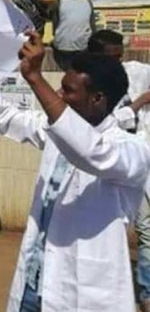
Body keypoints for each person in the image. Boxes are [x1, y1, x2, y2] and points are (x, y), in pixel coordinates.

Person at [0, 31, 150, 311]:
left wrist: (35, 78)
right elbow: (5, 117)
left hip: (83, 292)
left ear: (98, 99)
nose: (57, 94)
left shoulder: (132, 150)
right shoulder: (56, 131)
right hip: (35, 282)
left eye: (67, 90)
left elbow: (90, 152)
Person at [87, 29, 150, 311]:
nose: (118, 62)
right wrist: (139, 104)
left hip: (135, 164)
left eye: (120, 57)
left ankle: (147, 293)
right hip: (101, 170)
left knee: (147, 230)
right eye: (111, 57)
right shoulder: (83, 84)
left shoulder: (134, 73)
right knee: (105, 234)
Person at [51, 0, 93, 71]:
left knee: (53, 43)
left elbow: (55, 30)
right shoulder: (87, 3)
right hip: (84, 48)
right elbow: (92, 27)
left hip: (62, 50)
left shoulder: (58, 4)